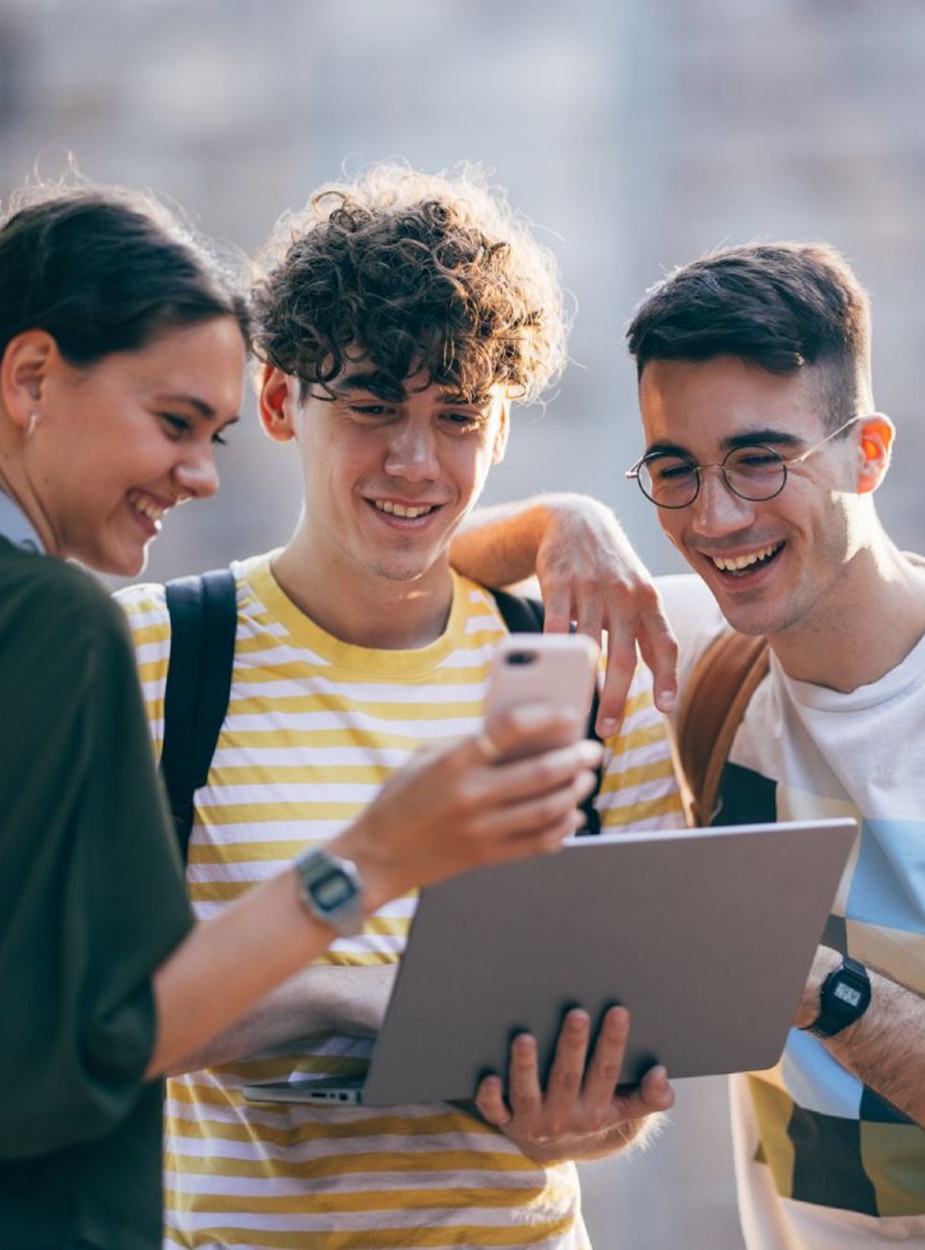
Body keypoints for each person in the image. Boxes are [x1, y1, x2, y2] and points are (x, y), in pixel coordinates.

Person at [0, 183, 608, 1250]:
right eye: (172, 423)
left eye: (460, 415)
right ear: (30, 379)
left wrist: (557, 521)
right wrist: (369, 866)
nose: (202, 477)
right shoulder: (62, 627)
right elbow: (65, 1054)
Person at [475, 239, 925, 1247]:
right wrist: (567, 521)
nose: (715, 516)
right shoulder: (699, 662)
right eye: (673, 471)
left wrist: (826, 991)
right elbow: (432, 580)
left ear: (868, 451)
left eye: (760, 459)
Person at [114, 162, 683, 1250]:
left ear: (500, 429)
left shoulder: (583, 669)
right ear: (280, 401)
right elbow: (92, 1016)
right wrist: (355, 997)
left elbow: (635, 1044)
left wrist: (579, 1120)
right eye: (373, 404)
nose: (415, 461)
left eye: (458, 415)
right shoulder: (154, 659)